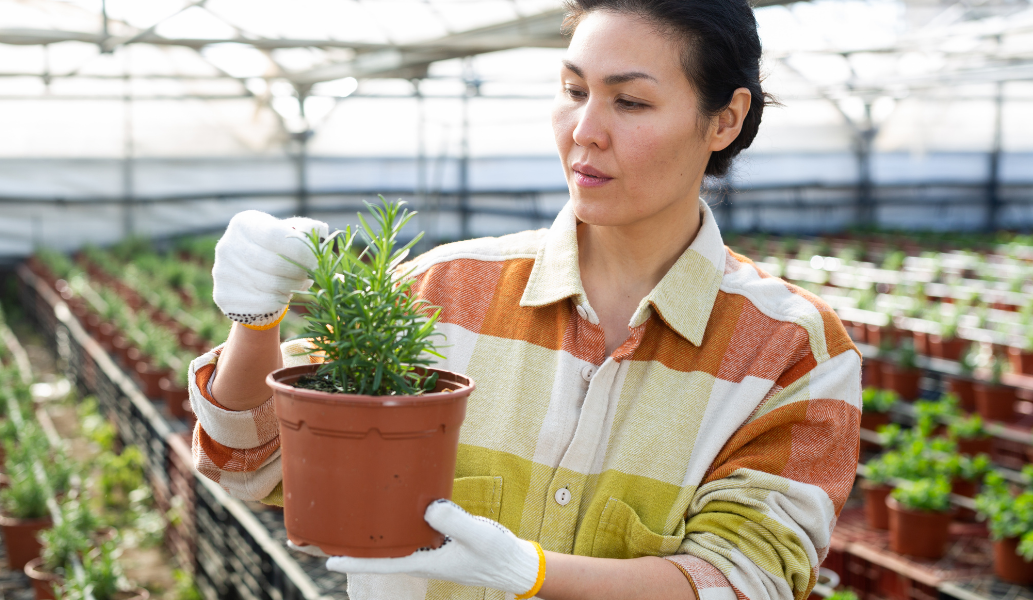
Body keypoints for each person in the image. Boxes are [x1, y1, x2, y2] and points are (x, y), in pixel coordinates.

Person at [190, 0, 861, 599]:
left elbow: (750, 579)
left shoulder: (791, 348)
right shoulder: (441, 290)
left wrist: (534, 575)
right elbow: (250, 465)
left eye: (629, 103)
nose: (584, 131)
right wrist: (257, 323)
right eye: (573, 90)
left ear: (725, 120)